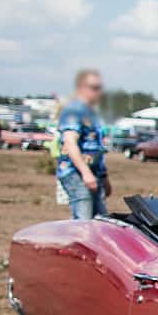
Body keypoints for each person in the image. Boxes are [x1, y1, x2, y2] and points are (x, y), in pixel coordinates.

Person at [56, 68, 110, 220]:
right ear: (81, 87)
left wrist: (103, 177)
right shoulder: (73, 112)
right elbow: (70, 144)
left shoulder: (91, 114)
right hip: (75, 173)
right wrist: (86, 173)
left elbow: (96, 147)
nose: (98, 92)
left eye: (99, 88)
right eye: (94, 88)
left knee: (102, 219)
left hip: (93, 173)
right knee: (84, 219)